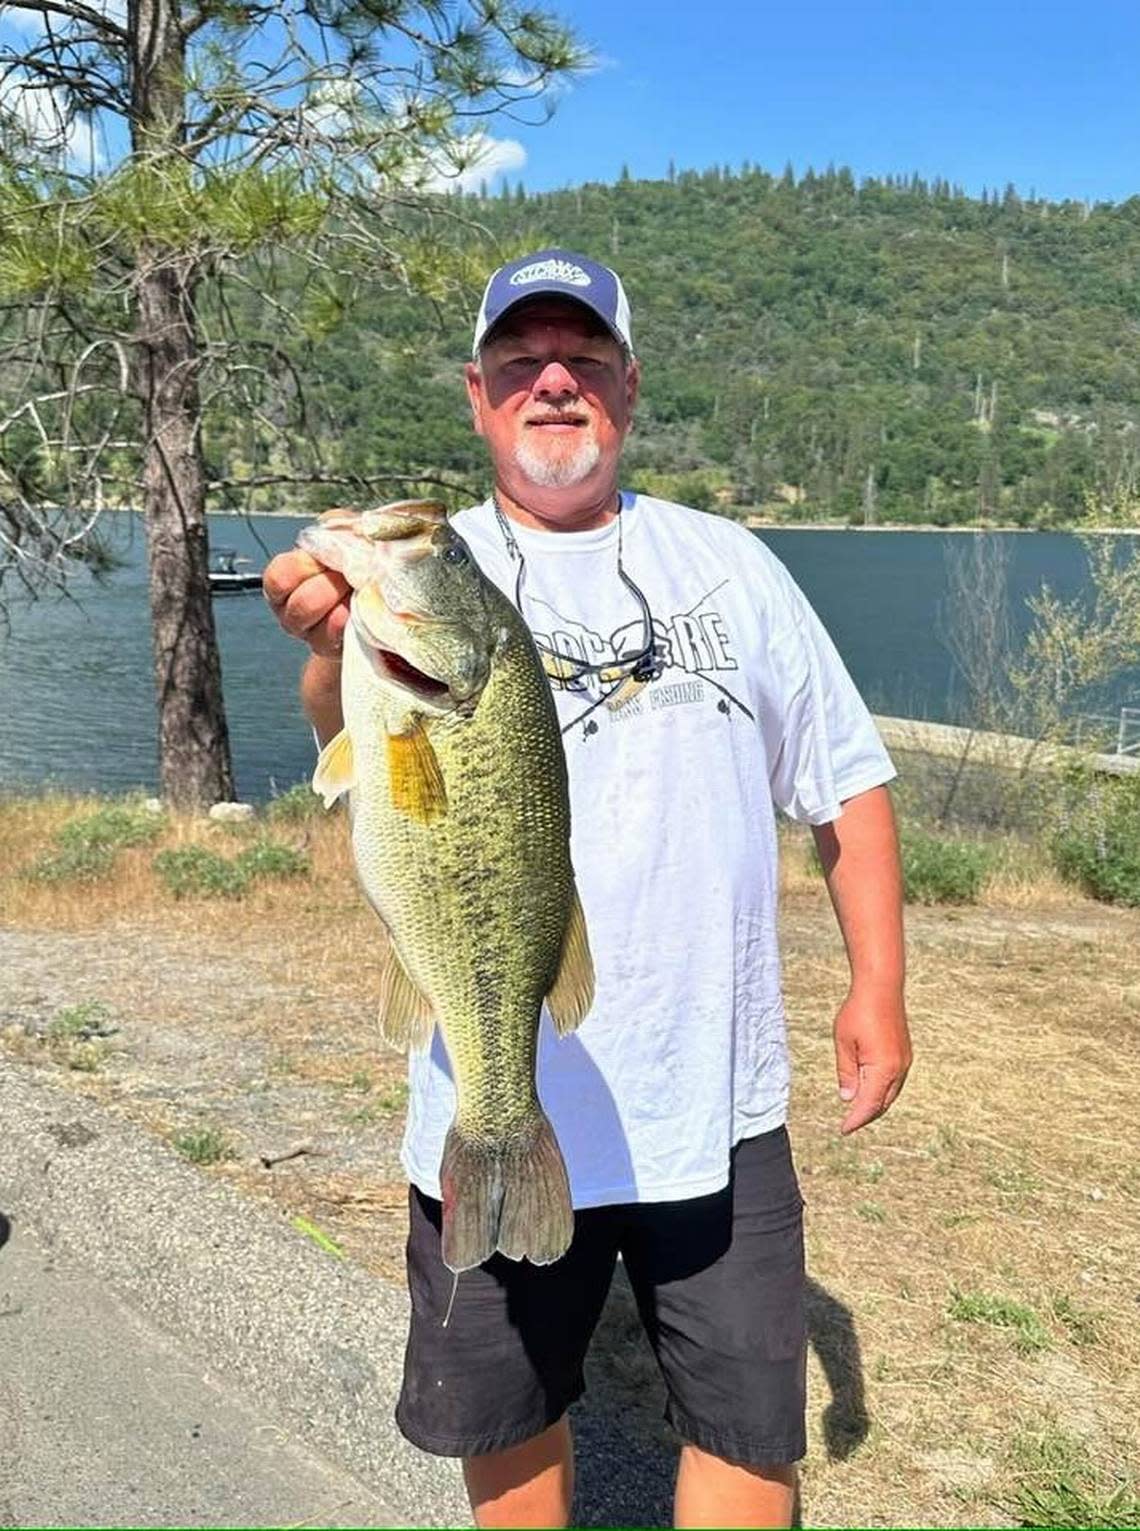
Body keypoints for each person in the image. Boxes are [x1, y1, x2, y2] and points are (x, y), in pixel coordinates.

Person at [263, 248, 912, 1530]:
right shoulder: (424, 589)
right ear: (477, 394)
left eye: (583, 361)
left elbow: (848, 781)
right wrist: (336, 651)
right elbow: (353, 740)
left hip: (712, 1102)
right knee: (507, 1417)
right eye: (520, 362)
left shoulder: (733, 565)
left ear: (626, 387)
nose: (552, 382)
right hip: (491, 1088)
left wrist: (879, 985)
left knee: (744, 1427)